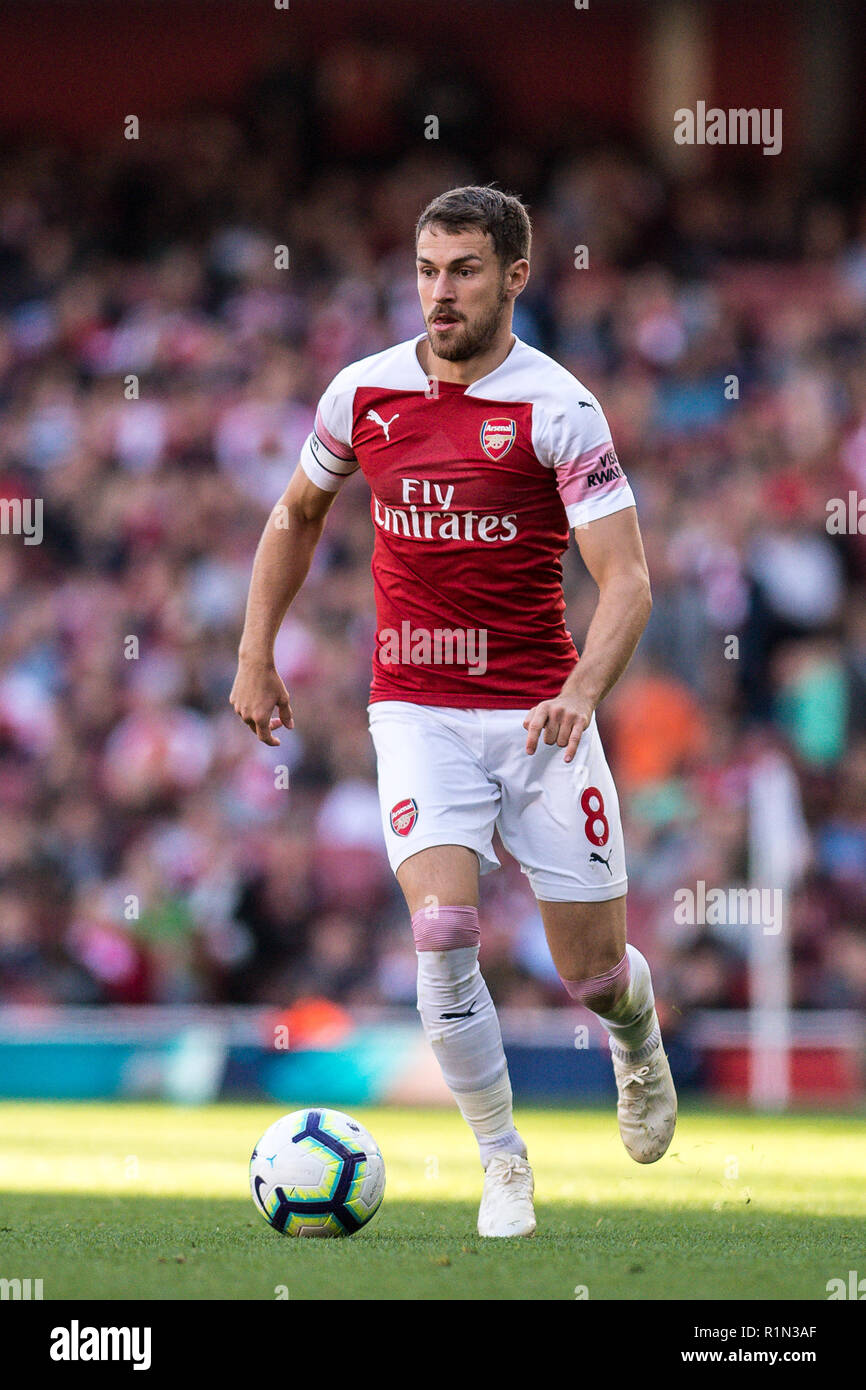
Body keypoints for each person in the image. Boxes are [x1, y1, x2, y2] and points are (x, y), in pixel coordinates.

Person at [230, 185, 676, 1238]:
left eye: (463, 269)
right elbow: (295, 513)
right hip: (416, 709)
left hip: (537, 712)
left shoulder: (558, 407)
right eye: (427, 269)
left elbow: (628, 581)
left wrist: (577, 692)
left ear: (515, 276)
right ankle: (501, 1160)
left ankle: (635, 1033)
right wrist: (256, 652)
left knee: (591, 971)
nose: (440, 291)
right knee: (441, 930)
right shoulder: (362, 394)